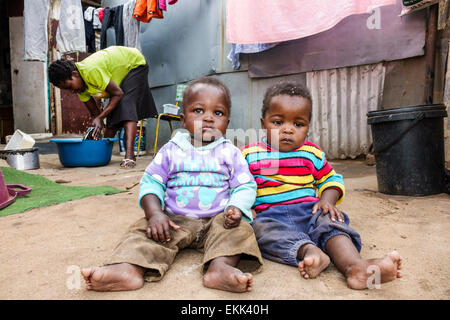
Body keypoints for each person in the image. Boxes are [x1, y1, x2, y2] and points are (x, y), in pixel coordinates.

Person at [80, 76, 263, 292]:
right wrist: (155, 214)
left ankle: (220, 268)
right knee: (143, 230)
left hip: (218, 220)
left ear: (227, 123)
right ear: (183, 121)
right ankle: (127, 269)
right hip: (174, 220)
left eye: (218, 113)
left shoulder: (230, 152)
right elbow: (151, 184)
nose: (209, 118)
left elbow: (245, 185)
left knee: (241, 231)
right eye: (198, 111)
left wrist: (236, 208)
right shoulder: (171, 150)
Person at [241, 82, 402, 290]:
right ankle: (309, 251)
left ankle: (355, 267)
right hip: (270, 216)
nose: (288, 129)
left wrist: (327, 200)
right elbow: (238, 184)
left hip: (310, 211)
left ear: (308, 126)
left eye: (298, 124)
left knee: (331, 222)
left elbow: (331, 180)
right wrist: (246, 206)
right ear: (264, 124)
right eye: (278, 122)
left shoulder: (312, 153)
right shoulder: (248, 154)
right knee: (257, 230)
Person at [48, 46, 158, 169]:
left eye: (69, 86)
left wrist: (100, 117)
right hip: (119, 74)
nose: (72, 91)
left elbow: (118, 93)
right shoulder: (80, 87)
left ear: (74, 74)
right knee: (111, 115)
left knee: (127, 104)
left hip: (134, 64)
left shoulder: (91, 70)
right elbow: (95, 113)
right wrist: (96, 130)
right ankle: (103, 152)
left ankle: (130, 155)